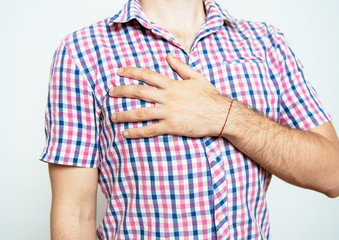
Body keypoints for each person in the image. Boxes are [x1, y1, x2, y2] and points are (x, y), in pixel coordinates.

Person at [40, 0, 339, 239]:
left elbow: (332, 174)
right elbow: (75, 215)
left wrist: (224, 114)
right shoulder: (81, 52)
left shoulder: (266, 43)